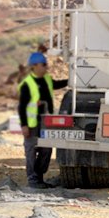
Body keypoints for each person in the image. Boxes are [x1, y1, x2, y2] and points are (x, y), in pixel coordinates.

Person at [17, 51, 68, 189]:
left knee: (46, 149)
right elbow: (22, 106)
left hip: (46, 122)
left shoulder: (46, 79)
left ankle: (39, 178)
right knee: (31, 151)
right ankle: (33, 180)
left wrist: (73, 80)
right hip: (32, 123)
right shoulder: (27, 83)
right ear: (34, 66)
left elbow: (58, 84)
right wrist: (24, 125)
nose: (46, 67)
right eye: (43, 64)